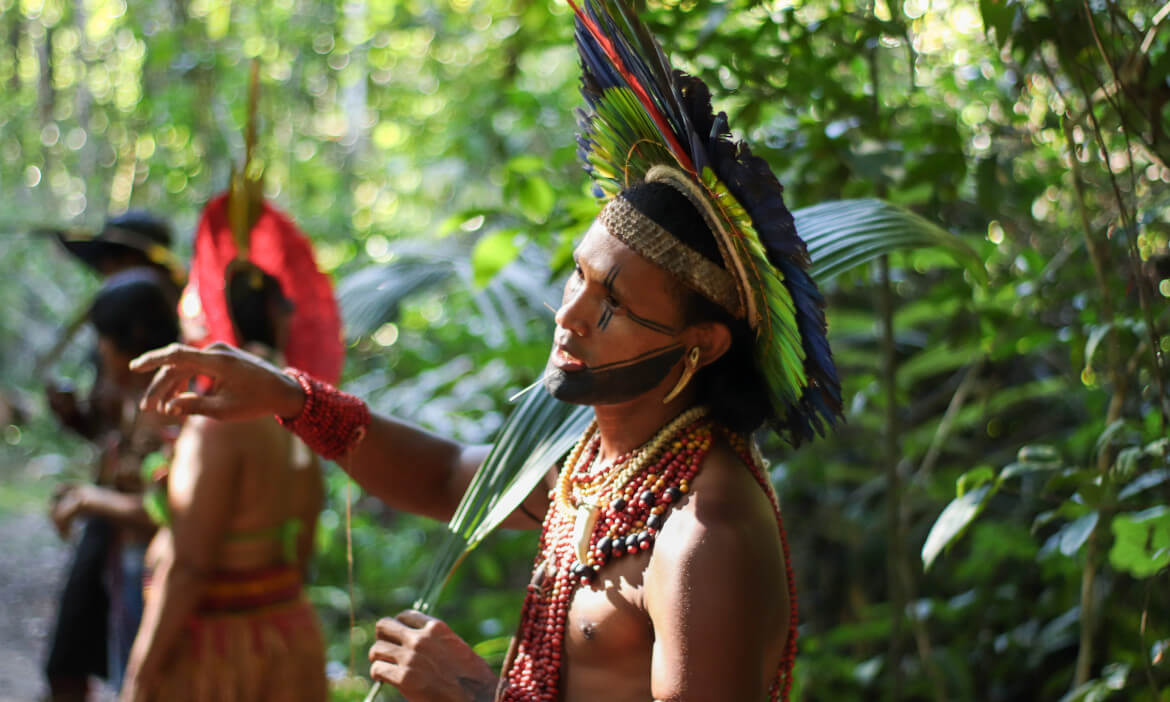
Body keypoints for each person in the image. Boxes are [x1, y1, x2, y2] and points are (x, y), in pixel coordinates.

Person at [131, 1, 840, 699]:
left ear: (701, 345)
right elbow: (445, 479)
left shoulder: (705, 533)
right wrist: (289, 395)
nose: (569, 314)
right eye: (577, 273)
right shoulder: (600, 468)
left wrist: (473, 688)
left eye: (613, 304)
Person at [119, 260, 327, 702]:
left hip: (221, 649)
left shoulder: (222, 420)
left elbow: (189, 566)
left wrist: (140, 673)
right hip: (287, 633)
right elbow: (304, 541)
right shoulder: (303, 405)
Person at [46, 268, 180, 700]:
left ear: (133, 335)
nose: (99, 350)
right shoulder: (134, 398)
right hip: (128, 566)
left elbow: (164, 512)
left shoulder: (168, 408)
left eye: (104, 337)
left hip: (152, 574)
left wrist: (88, 500)